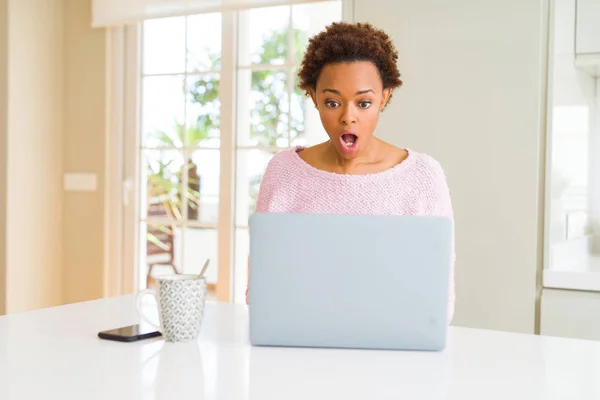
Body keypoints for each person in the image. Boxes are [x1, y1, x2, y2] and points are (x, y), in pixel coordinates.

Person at [246, 21, 456, 323]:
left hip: (395, 346)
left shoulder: (423, 176)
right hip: (299, 342)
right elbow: (260, 289)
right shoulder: (283, 172)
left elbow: (441, 296)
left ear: (384, 97)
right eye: (332, 102)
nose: (348, 117)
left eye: (364, 103)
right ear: (312, 95)